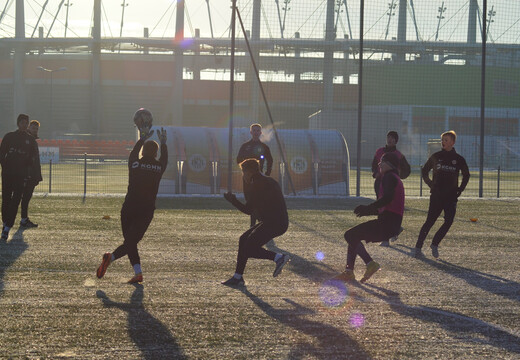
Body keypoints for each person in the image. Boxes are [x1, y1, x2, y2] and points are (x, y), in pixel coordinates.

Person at [96, 125, 168, 284]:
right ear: (156, 153)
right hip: (146, 209)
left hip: (129, 207)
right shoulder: (158, 167)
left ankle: (127, 267)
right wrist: (163, 143)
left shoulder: (134, 164)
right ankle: (119, 262)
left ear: (143, 151)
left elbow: (133, 154)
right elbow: (165, 159)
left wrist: (141, 138)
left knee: (130, 241)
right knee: (131, 242)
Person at [334, 152, 404, 283]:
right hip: (390, 223)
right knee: (353, 236)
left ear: (389, 164)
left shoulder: (389, 177)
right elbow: (389, 206)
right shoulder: (393, 177)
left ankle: (369, 264)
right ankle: (349, 271)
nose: (379, 164)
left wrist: (369, 207)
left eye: (382, 161)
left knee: (350, 235)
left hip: (387, 224)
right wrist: (368, 211)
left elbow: (387, 198)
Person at [222, 158, 289, 286]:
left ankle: (279, 258)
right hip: (277, 221)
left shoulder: (256, 184)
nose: (243, 176)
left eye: (243, 172)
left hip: (274, 223)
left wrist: (233, 201)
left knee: (249, 249)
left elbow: (248, 210)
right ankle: (238, 277)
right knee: (243, 239)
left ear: (248, 172)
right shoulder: (267, 180)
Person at [412, 130, 470, 259]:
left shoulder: (459, 159)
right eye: (443, 140)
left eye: (446, 140)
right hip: (437, 196)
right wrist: (431, 184)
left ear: (453, 142)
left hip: (451, 197)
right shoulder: (436, 156)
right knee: (430, 221)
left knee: (449, 221)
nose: (443, 142)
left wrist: (460, 189)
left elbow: (466, 175)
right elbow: (424, 171)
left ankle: (435, 244)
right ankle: (418, 247)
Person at [0, 114, 38, 241]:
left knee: (15, 201)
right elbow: (1, 153)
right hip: (7, 174)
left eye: (25, 123)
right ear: (18, 123)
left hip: (21, 176)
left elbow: (33, 159)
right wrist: (4, 167)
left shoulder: (30, 140)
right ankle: (5, 222)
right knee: (6, 199)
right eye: (22, 122)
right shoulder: (9, 136)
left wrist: (30, 174)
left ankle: (7, 228)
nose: (24, 125)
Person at [371, 131, 410, 247]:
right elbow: (373, 166)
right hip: (380, 183)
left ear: (396, 141)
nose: (390, 140)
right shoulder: (379, 151)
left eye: (393, 138)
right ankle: (390, 233)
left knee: (389, 209)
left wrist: (398, 176)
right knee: (382, 208)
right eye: (388, 137)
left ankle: (387, 236)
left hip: (391, 184)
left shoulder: (399, 155)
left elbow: (407, 170)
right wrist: (375, 174)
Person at [236, 123, 273, 227]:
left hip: (258, 179)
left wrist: (267, 173)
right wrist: (246, 164)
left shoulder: (264, 147)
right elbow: (238, 159)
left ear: (260, 133)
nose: (256, 132)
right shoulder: (245, 146)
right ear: (251, 132)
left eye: (258, 131)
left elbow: (270, 160)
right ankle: (255, 223)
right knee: (249, 200)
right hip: (247, 178)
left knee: (258, 200)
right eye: (254, 130)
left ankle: (255, 224)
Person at [20, 120, 43, 228]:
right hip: (27, 175)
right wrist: (29, 175)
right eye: (33, 128)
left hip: (31, 175)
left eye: (37, 129)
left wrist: (37, 176)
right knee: (24, 198)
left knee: (26, 198)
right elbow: (28, 160)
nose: (35, 130)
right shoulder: (27, 140)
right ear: (29, 128)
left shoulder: (32, 140)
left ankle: (24, 219)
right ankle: (23, 220)